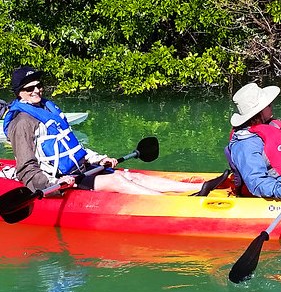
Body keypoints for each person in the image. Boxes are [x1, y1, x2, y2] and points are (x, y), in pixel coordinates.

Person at [3, 66, 225, 196]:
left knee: (129, 175)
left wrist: (100, 159)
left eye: (39, 85)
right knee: (118, 182)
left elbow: (73, 146)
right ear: (19, 93)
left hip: (81, 170)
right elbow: (26, 169)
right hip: (60, 180)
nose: (37, 90)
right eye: (29, 88)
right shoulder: (22, 122)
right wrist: (53, 185)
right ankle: (176, 204)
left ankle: (199, 187)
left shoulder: (47, 109)